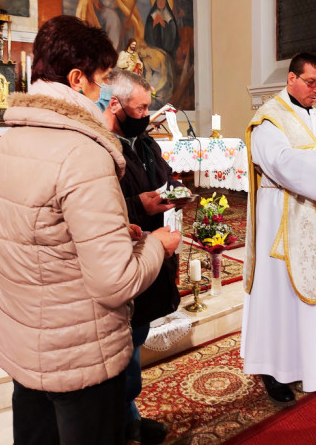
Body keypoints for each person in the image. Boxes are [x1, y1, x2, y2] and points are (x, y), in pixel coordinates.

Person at [0, 15, 181, 445]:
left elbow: (39, 234)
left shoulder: (9, 142)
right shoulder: (82, 150)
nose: (106, 90)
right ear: (77, 79)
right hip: (79, 349)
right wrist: (157, 244)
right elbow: (116, 282)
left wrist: (113, 232)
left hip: (26, 341)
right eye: (103, 78)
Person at [241, 52, 316, 403]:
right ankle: (273, 369)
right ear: (291, 78)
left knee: (314, 292)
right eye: (311, 82)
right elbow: (279, 162)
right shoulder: (268, 120)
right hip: (281, 220)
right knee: (280, 296)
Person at [103, 68, 190, 445]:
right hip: (123, 256)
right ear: (116, 105)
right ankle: (119, 423)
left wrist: (175, 191)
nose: (145, 116)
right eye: (139, 109)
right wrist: (138, 205)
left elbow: (163, 178)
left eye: (147, 108)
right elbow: (97, 207)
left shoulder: (145, 144)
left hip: (150, 255)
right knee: (119, 349)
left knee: (134, 340)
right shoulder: (100, 147)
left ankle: (129, 417)